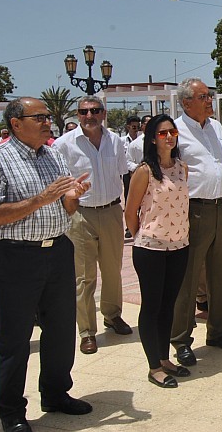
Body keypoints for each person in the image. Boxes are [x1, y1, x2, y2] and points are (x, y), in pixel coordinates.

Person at [0, 97, 93, 432]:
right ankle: (11, 411)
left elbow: (65, 210)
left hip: (57, 251)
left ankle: (56, 394)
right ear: (15, 123)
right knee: (14, 338)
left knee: (60, 329)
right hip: (15, 257)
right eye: (38, 117)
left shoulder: (53, 155)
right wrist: (42, 198)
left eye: (46, 116)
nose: (47, 122)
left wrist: (72, 196)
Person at [170, 78, 222, 368]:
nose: (209, 100)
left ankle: (218, 331)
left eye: (209, 95)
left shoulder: (214, 127)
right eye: (203, 96)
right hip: (194, 210)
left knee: (219, 273)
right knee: (188, 278)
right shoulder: (175, 131)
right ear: (186, 103)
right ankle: (181, 340)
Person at [53, 96, 131, 355]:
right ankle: (87, 331)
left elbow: (124, 172)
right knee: (84, 277)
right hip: (80, 216)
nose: (90, 116)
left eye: (95, 110)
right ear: (77, 114)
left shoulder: (115, 141)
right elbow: (58, 183)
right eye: (84, 112)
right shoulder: (64, 145)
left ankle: (112, 315)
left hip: (110, 212)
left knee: (112, 271)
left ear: (104, 113)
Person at [125, 114, 191, 389]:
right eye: (162, 133)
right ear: (153, 138)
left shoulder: (182, 168)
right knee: (151, 307)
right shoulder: (144, 171)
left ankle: (164, 358)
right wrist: (144, 234)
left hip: (179, 245)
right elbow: (131, 211)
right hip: (151, 248)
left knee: (168, 305)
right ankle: (154, 366)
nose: (169, 137)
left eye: (172, 132)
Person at [122, 116, 141, 204]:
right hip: (127, 170)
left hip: (139, 169)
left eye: (138, 127)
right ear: (128, 127)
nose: (136, 129)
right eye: (134, 127)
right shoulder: (122, 141)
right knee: (128, 190)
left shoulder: (141, 140)